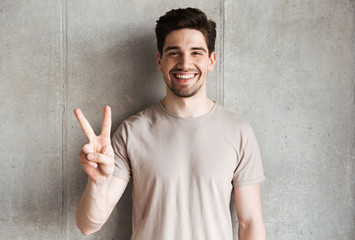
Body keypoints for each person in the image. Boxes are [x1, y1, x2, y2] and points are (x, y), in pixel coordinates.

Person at [74, 7, 266, 240]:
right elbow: (88, 225)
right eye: (174, 53)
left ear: (211, 60)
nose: (185, 63)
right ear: (159, 60)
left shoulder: (238, 132)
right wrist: (97, 183)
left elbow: (250, 224)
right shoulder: (132, 132)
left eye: (196, 53)